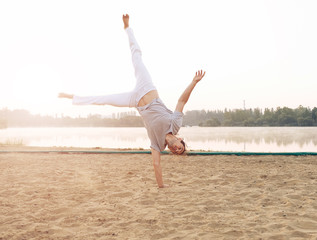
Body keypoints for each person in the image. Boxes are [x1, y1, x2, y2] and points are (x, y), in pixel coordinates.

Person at [58, 14, 206, 188]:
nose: (176, 149)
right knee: (137, 56)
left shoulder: (157, 144)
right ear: (180, 140)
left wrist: (161, 186)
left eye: (176, 152)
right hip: (147, 87)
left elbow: (156, 164)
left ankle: (72, 97)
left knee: (104, 99)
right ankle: (127, 27)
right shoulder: (175, 124)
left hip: (135, 101)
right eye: (180, 148)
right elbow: (182, 101)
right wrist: (193, 82)